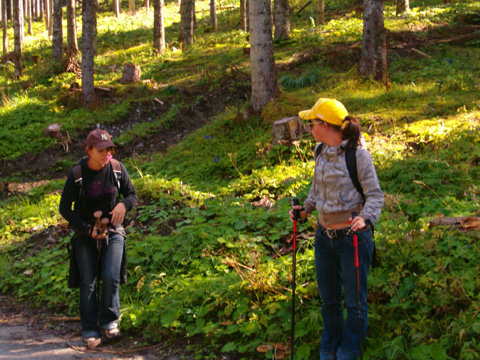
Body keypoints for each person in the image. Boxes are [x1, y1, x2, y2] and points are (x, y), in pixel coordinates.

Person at [289, 98, 384, 360]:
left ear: (326, 125)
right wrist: (306, 210)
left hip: (352, 240)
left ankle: (350, 350)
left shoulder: (359, 156)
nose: (309, 128)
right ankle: (329, 347)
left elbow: (375, 195)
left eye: (311, 123)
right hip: (324, 238)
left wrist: (365, 218)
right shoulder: (320, 151)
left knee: (354, 304)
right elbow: (316, 190)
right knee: (329, 301)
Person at [59, 129, 137, 349]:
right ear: (88, 150)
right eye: (101, 150)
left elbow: (132, 194)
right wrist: (85, 229)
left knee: (112, 276)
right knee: (88, 282)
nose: (107, 154)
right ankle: (90, 328)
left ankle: (109, 321)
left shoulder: (117, 169)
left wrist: (123, 204)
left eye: (109, 149)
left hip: (113, 231)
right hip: (86, 234)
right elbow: (64, 208)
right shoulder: (77, 174)